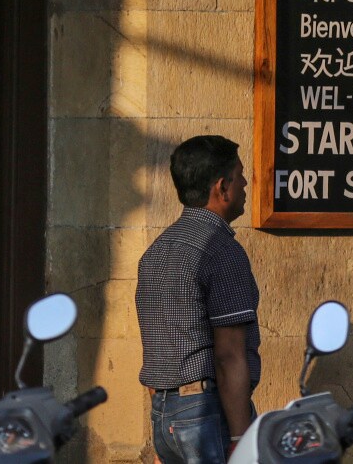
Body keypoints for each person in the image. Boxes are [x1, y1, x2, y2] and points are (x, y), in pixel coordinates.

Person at [135, 135, 260, 464]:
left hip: (165, 416)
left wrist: (166, 417)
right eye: (240, 174)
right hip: (206, 415)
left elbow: (156, 346)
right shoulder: (221, 251)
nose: (246, 183)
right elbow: (229, 356)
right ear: (222, 187)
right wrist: (241, 438)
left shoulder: (155, 252)